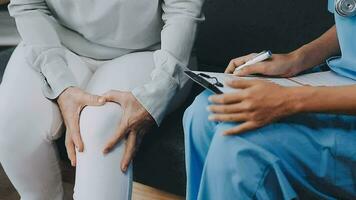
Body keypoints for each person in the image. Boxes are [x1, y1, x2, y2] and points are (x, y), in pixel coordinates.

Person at [0, 0, 204, 199]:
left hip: (150, 51)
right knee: (12, 123)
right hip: (57, 40)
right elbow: (28, 5)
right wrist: (60, 84)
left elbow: (182, 11)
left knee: (102, 129)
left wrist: (157, 92)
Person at [183, 0, 356, 199]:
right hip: (338, 80)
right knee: (206, 111)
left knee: (238, 145)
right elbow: (349, 16)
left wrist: (289, 100)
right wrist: (297, 59)